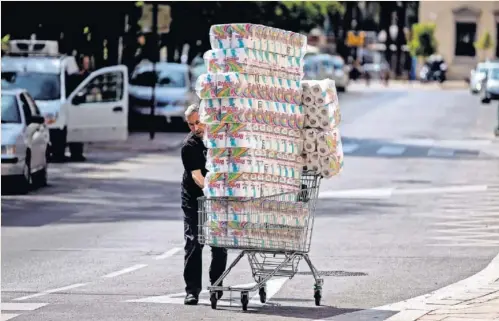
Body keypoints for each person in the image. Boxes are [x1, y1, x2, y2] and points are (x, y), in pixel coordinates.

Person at [181, 104, 227, 305]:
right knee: (194, 241)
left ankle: (216, 285)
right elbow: (198, 177)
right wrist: (212, 191)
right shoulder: (189, 146)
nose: (195, 128)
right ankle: (192, 290)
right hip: (194, 198)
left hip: (216, 198)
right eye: (191, 124)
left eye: (198, 122)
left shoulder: (218, 140)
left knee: (218, 244)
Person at [68, 55, 92, 162]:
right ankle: (74, 152)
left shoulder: (89, 75)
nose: (87, 65)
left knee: (81, 131)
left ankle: (79, 152)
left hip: (84, 107)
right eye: (85, 63)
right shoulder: (74, 77)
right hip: (74, 106)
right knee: (75, 130)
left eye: (88, 63)